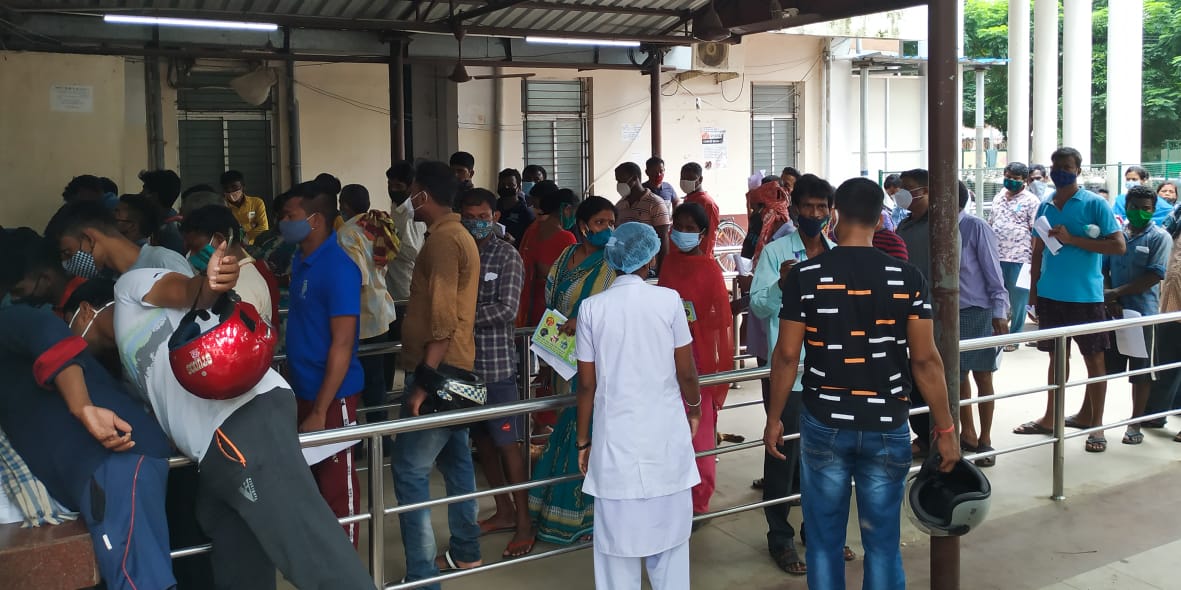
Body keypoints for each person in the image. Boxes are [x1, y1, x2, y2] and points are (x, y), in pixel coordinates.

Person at [76, 241, 374, 590]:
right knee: (236, 558)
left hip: (241, 423)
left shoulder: (127, 288)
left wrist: (209, 283)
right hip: (215, 451)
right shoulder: (126, 364)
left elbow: (188, 291)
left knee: (310, 549)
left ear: (83, 310)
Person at [763, 176, 960, 590]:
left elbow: (786, 356)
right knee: (883, 543)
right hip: (887, 422)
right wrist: (945, 430)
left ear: (834, 216)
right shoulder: (907, 278)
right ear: (879, 218)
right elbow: (925, 360)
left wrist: (775, 417)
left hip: (824, 421)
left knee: (824, 541)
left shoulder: (805, 276)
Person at [0, 276, 176, 590]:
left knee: (138, 582)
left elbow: (47, 331)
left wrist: (82, 407)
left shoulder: (8, 321)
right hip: (100, 472)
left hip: (113, 462)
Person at [576, 222, 701, 590]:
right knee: (671, 552)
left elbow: (587, 384)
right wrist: (694, 407)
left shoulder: (591, 309)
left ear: (611, 260)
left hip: (616, 444)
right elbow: (687, 372)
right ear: (650, 258)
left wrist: (583, 441)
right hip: (664, 441)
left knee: (616, 556)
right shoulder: (669, 300)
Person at [392, 161, 483, 588]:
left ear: (423, 195)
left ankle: (423, 575)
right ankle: (466, 549)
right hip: (454, 366)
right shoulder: (454, 235)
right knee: (456, 460)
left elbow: (443, 320)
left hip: (440, 371)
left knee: (409, 470)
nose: (408, 200)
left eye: (411, 192)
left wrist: (423, 384)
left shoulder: (445, 241)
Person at [748, 175, 836, 575]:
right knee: (783, 458)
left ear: (830, 212)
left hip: (831, 372)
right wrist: (782, 285)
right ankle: (780, 538)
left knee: (825, 461)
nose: (815, 214)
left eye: (822, 207)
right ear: (795, 210)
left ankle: (816, 532)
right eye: (808, 207)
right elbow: (759, 308)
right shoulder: (776, 252)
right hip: (791, 375)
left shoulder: (838, 254)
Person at [1013, 147, 1125, 454]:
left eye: (1066, 166)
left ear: (1078, 170)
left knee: (1095, 359)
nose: (1060, 171)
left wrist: (1072, 239)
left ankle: (1096, 424)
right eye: (1056, 166)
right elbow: (1037, 251)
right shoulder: (1046, 204)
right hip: (1050, 294)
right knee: (1056, 358)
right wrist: (1034, 293)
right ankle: (1051, 418)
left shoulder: (1095, 203)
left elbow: (1118, 246)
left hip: (1086, 296)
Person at [527, 196, 617, 546]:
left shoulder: (613, 261)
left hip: (597, 355)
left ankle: (584, 515)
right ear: (583, 226)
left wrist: (584, 319)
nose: (607, 229)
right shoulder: (566, 256)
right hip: (562, 351)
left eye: (611, 223)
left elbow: (612, 305)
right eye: (600, 223)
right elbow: (552, 295)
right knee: (565, 419)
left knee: (585, 424)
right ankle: (554, 506)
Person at [280, 181, 365, 543]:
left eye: (290, 216)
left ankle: (345, 566)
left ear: (315, 220)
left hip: (332, 396)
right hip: (303, 389)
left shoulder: (338, 268)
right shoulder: (301, 260)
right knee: (310, 484)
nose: (284, 223)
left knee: (337, 487)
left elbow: (342, 344)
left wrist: (320, 409)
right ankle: (321, 558)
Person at [457, 188, 533, 558]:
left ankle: (524, 522)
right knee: (483, 443)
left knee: (507, 444)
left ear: (495, 217)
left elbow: (506, 310)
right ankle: (502, 510)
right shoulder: (459, 253)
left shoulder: (506, 256)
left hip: (496, 366)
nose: (476, 223)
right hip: (463, 367)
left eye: (483, 217)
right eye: (469, 217)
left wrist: (460, 318)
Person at [657, 203, 733, 520]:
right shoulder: (669, 262)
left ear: (702, 234)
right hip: (666, 354)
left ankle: (699, 501)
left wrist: (695, 321)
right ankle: (673, 493)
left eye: (691, 228)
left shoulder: (710, 268)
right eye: (679, 226)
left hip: (697, 355)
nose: (683, 233)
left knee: (699, 431)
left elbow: (721, 320)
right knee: (669, 429)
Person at [1103, 185, 1171, 445]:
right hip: (1114, 311)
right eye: (1135, 207)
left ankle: (1135, 423)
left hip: (1142, 314)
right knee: (1103, 367)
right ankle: (1095, 422)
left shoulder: (1159, 237)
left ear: (1153, 210)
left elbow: (1154, 275)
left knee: (1142, 372)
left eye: (1146, 209)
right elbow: (1104, 268)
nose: (1140, 212)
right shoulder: (1118, 235)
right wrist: (1111, 298)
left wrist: (1116, 292)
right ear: (1126, 207)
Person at [339, 182, 400, 442]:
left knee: (355, 383)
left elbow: (357, 278)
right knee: (377, 382)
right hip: (381, 311)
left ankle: (358, 442)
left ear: (344, 205)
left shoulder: (347, 233)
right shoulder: (378, 225)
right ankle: (382, 439)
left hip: (360, 317)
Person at [957, 180, 1010, 467]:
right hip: (949, 313)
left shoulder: (975, 227)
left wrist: (999, 311)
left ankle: (985, 438)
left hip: (977, 311)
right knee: (957, 376)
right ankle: (968, 432)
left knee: (983, 376)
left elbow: (993, 271)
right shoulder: (935, 228)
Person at [180, 205, 277, 325]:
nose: (191, 255)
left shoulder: (239, 289)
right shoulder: (237, 275)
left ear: (219, 240)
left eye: (195, 247)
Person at [894, 168, 935, 453]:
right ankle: (922, 435)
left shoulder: (940, 225)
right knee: (911, 378)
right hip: (903, 312)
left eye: (907, 188)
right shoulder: (904, 227)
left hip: (930, 313)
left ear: (925, 190)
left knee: (930, 372)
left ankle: (939, 434)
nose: (901, 194)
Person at [47, 200, 191, 279]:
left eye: (68, 253)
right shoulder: (111, 280)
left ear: (89, 239)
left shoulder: (163, 262)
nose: (67, 264)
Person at [988, 162, 1042, 350]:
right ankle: (996, 334)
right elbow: (991, 222)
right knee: (997, 295)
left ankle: (1015, 337)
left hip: (1020, 257)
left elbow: (1036, 232)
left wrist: (1034, 260)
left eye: (1015, 178)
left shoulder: (1032, 201)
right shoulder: (998, 197)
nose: (1010, 180)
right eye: (1007, 176)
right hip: (997, 256)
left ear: (1024, 180)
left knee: (1019, 299)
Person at [517, 188, 579, 328]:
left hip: (528, 303)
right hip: (552, 306)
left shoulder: (532, 229)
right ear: (567, 209)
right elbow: (572, 277)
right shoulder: (566, 237)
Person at [614, 162, 671, 273]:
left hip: (648, 269)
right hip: (624, 267)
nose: (619, 184)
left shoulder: (655, 203)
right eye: (617, 181)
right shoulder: (619, 205)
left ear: (634, 179)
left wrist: (661, 271)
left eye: (621, 180)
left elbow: (663, 238)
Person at [386, 161, 427, 305]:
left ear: (410, 187)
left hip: (406, 285)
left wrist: (388, 239)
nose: (393, 190)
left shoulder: (411, 213)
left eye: (398, 186)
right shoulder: (395, 206)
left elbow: (413, 252)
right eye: (390, 185)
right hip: (392, 282)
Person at [678, 162, 720, 258]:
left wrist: (701, 260)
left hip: (698, 258)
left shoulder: (707, 203)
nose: (685, 182)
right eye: (683, 179)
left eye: (690, 179)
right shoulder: (688, 199)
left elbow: (708, 238)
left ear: (700, 179)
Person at [139, 169, 186, 254]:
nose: (140, 194)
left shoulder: (170, 233)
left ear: (154, 196)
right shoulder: (157, 222)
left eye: (144, 189)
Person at [220, 170, 269, 244]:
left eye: (234, 186)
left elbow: (263, 228)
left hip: (254, 246)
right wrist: (251, 227)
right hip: (230, 247)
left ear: (243, 187)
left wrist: (246, 237)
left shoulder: (256, 202)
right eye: (226, 188)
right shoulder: (221, 206)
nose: (230, 191)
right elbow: (222, 231)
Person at [497, 168, 536, 246]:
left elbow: (531, 244)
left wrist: (514, 242)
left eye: (510, 185)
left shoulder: (526, 213)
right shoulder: (492, 207)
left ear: (519, 188)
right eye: (502, 184)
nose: (506, 187)